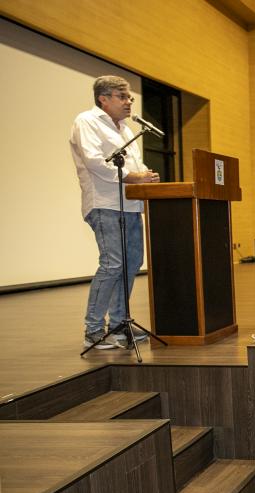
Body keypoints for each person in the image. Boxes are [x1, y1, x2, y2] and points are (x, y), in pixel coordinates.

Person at [71, 76, 159, 349]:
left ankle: (120, 325)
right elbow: (95, 162)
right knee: (112, 265)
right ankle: (93, 329)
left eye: (130, 97)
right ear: (103, 99)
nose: (129, 102)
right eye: (123, 96)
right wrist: (133, 177)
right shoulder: (87, 121)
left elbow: (135, 164)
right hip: (104, 203)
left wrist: (145, 176)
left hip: (131, 205)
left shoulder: (124, 130)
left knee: (131, 264)